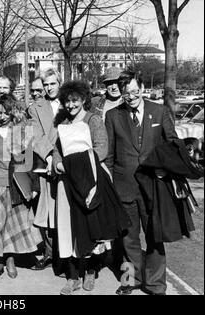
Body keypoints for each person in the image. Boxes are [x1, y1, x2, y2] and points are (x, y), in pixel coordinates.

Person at [52, 80, 130, 295]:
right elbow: (58, 150)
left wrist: (78, 166)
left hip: (93, 181)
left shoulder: (93, 120)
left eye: (75, 100)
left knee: (92, 226)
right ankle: (73, 276)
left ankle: (91, 271)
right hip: (68, 182)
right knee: (71, 228)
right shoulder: (63, 123)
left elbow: (101, 149)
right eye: (67, 101)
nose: (71, 105)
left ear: (84, 99)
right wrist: (59, 164)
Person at [105, 71, 178, 295]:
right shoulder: (113, 116)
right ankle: (131, 280)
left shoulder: (160, 111)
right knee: (128, 238)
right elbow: (109, 155)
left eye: (135, 91)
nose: (132, 96)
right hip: (124, 186)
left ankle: (156, 285)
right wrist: (109, 183)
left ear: (143, 88)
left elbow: (172, 143)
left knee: (155, 236)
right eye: (127, 93)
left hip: (154, 186)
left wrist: (164, 169)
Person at [0, 94, 42, 282]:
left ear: (13, 112)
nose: (1, 116)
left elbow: (29, 159)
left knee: (11, 225)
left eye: (5, 112)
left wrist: (33, 185)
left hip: (14, 185)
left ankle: (9, 260)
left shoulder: (20, 131)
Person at [27, 67, 63, 272]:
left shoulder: (70, 101)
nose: (49, 88)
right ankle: (50, 253)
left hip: (70, 161)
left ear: (60, 82)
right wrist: (49, 156)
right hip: (47, 162)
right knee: (47, 212)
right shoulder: (36, 108)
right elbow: (37, 135)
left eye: (52, 83)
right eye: (46, 84)